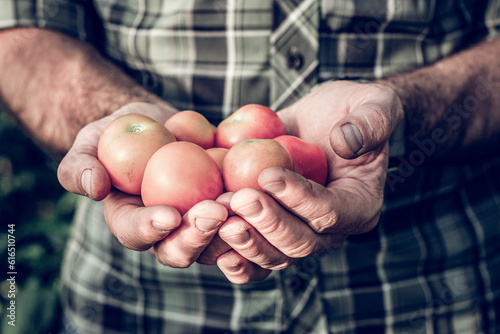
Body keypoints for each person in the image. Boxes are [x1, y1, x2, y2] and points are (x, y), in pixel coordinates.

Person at [1, 0, 500, 333]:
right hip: (139, 307)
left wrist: (401, 114)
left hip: (432, 295)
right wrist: (117, 122)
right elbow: (19, 34)